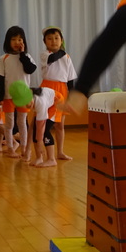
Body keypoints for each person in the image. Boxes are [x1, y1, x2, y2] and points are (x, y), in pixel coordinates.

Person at [0, 26, 37, 159]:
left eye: (20, 39)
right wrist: (0, 96)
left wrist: (23, 55)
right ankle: (10, 148)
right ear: (8, 41)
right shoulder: (4, 58)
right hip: (8, 96)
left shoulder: (27, 57)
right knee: (9, 124)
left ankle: (24, 147)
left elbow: (30, 69)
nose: (17, 42)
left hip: (23, 96)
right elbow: (0, 78)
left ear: (23, 41)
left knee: (22, 123)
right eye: (13, 39)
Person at [40, 25, 76, 161]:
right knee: (44, 122)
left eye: (56, 38)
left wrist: (71, 97)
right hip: (48, 90)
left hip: (62, 90)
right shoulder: (45, 55)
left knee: (60, 125)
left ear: (61, 40)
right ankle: (44, 152)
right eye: (49, 39)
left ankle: (60, 152)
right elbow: (53, 58)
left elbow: (71, 79)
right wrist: (63, 50)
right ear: (44, 42)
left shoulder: (67, 57)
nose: (53, 41)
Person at [8, 81, 57, 168]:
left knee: (44, 131)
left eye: (27, 102)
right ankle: (39, 158)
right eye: (24, 104)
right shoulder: (33, 100)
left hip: (57, 103)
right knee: (36, 131)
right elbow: (31, 128)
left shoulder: (40, 102)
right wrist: (27, 150)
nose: (27, 105)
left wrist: (40, 142)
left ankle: (51, 159)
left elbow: (41, 127)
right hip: (46, 104)